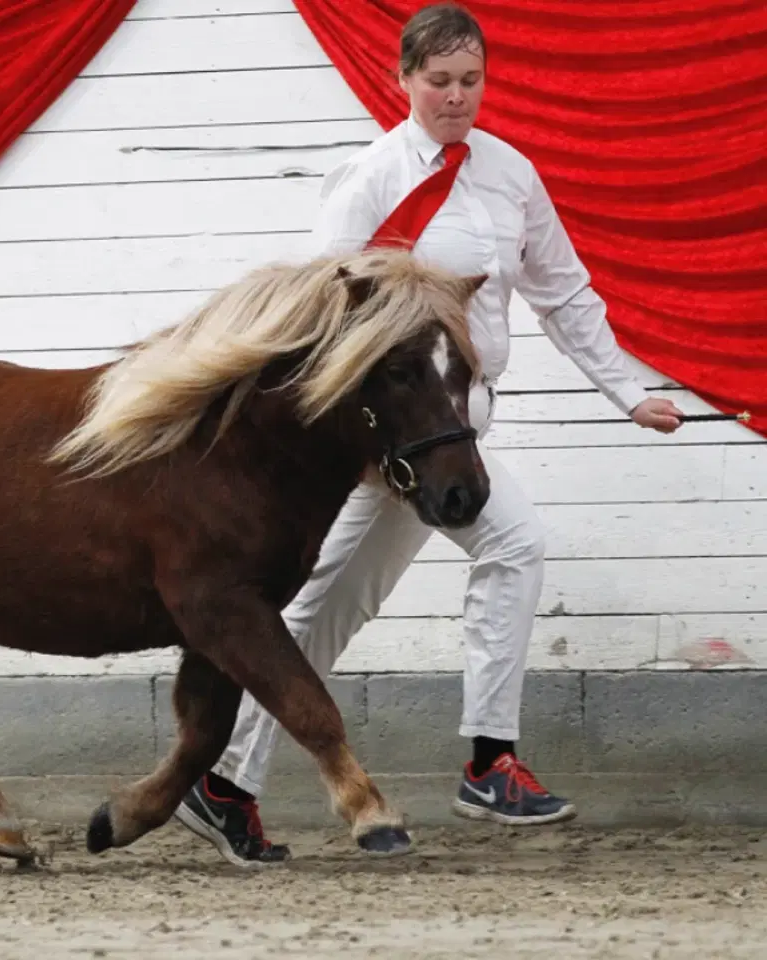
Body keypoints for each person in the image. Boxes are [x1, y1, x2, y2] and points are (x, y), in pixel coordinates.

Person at [174, 1, 685, 867]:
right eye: (438, 81)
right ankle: (478, 762)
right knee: (462, 560)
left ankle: (231, 784)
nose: (456, 97)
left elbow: (563, 292)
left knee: (344, 604)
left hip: (451, 439)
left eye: (470, 81)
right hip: (387, 442)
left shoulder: (512, 174)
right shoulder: (369, 176)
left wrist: (627, 393)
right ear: (403, 80)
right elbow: (331, 305)